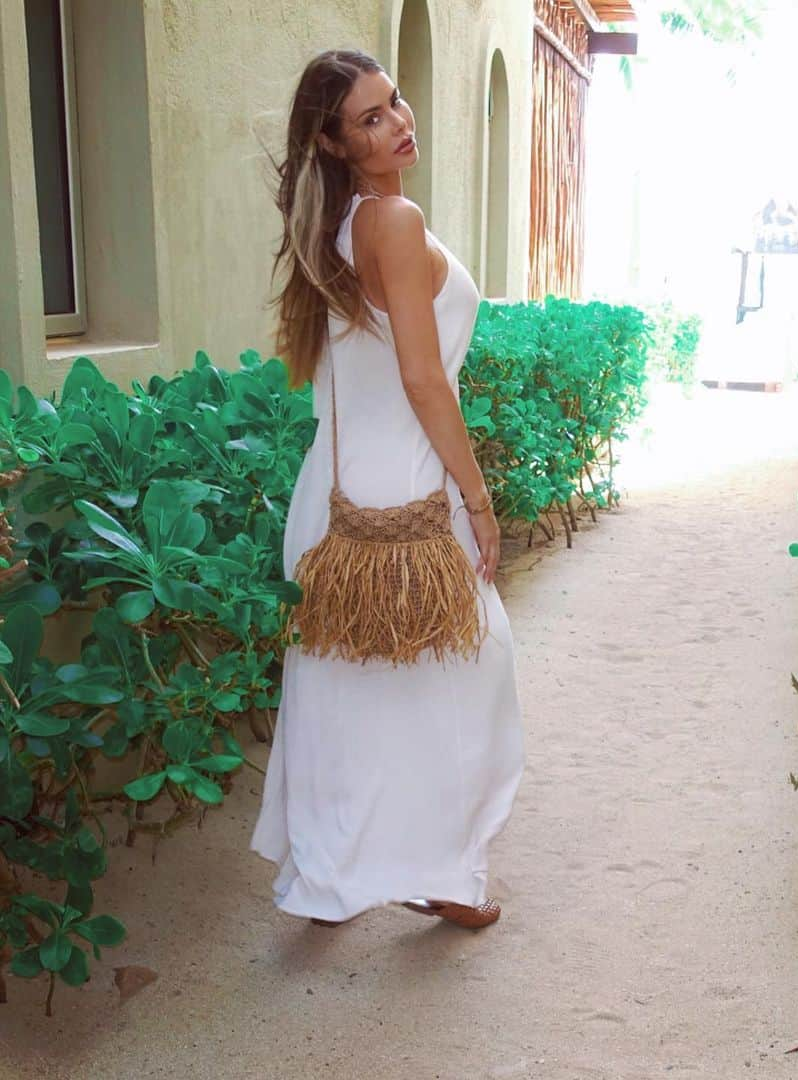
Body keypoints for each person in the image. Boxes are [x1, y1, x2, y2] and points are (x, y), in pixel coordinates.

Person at [249, 48, 525, 931]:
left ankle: (333, 877)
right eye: (370, 118)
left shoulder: (340, 225)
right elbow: (423, 380)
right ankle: (436, 870)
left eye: (395, 102)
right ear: (333, 143)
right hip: (399, 493)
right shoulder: (394, 221)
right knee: (464, 677)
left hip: (330, 494)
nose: (399, 122)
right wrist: (477, 500)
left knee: (344, 694)